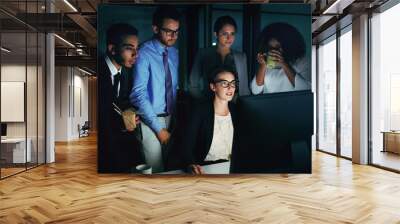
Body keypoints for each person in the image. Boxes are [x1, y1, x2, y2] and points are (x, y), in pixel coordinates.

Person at [130, 6, 181, 173]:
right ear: (155, 29)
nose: (173, 36)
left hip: (171, 118)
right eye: (168, 31)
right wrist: (158, 129)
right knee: (156, 170)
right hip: (150, 120)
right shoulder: (143, 53)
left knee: (170, 167)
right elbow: (138, 94)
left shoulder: (174, 53)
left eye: (177, 31)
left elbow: (173, 87)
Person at [98, 23, 144, 173]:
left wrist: (130, 114)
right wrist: (121, 124)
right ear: (112, 49)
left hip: (119, 144)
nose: (135, 55)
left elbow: (119, 102)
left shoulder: (123, 73)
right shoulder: (98, 72)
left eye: (137, 49)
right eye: (129, 48)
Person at [182, 67, 238, 174]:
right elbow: (186, 147)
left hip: (232, 167)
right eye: (225, 83)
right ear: (213, 87)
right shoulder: (199, 111)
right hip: (207, 168)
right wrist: (191, 164)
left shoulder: (237, 110)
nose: (230, 87)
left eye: (233, 83)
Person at [188, 15, 249, 101]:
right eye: (225, 34)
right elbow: (193, 84)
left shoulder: (241, 57)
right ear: (216, 34)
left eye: (232, 34)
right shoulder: (203, 54)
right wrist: (203, 102)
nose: (229, 38)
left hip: (234, 105)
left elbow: (244, 88)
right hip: (209, 104)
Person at [251, 22, 311, 94]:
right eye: (271, 48)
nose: (274, 51)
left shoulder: (303, 61)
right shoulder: (268, 62)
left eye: (278, 47)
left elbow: (305, 89)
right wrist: (263, 65)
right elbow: (255, 90)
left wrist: (284, 64)